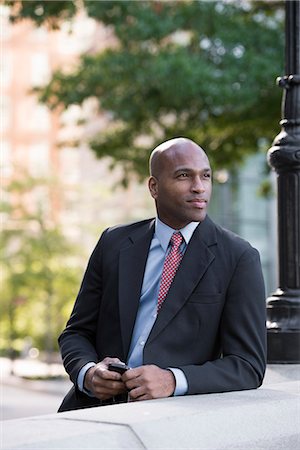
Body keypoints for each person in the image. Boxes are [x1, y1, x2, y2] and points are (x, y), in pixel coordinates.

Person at [58, 137, 266, 412]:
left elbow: (248, 365)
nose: (199, 187)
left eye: (206, 176)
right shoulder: (113, 243)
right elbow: (76, 332)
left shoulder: (239, 257)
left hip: (171, 420)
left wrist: (173, 380)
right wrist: (88, 373)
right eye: (183, 176)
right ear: (154, 187)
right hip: (93, 410)